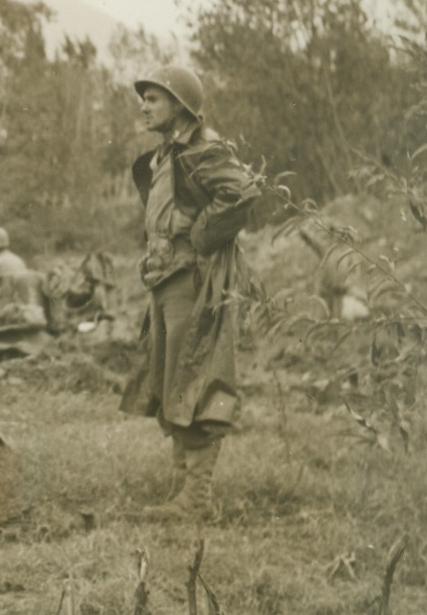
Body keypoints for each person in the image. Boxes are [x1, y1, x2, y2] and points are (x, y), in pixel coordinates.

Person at [119, 65, 259, 522]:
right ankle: (182, 488)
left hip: (193, 280)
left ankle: (196, 498)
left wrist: (198, 240)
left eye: (154, 98)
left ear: (180, 105)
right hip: (165, 277)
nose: (144, 105)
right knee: (171, 378)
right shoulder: (167, 154)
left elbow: (239, 194)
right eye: (144, 98)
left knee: (197, 378)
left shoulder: (205, 148)